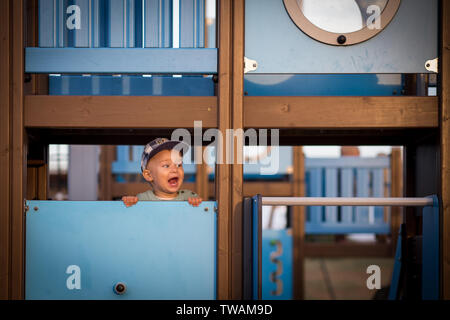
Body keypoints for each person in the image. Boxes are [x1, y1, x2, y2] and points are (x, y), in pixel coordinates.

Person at [122, 138, 202, 207]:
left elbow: (202, 215)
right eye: (166, 166)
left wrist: (196, 205)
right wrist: (129, 203)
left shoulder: (189, 197)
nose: (175, 169)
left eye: (178, 165)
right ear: (148, 175)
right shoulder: (142, 200)